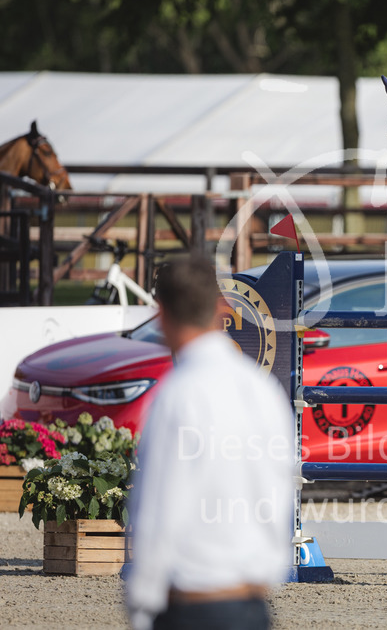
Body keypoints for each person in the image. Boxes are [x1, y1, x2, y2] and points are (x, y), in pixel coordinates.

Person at [125, 256, 294, 630]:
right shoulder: (264, 389)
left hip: (191, 605)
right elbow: (278, 492)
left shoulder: (176, 395)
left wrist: (141, 602)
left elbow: (158, 509)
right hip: (253, 604)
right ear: (221, 308)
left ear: (161, 313)